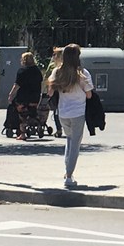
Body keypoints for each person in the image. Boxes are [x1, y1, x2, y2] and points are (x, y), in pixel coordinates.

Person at [46, 44, 93, 188]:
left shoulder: (57, 72)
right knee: (75, 145)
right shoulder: (82, 73)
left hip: (63, 113)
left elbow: (50, 92)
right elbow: (89, 94)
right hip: (78, 113)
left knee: (69, 139)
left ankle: (67, 170)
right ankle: (68, 175)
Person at [7, 52, 43, 141]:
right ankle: (36, 123)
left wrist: (11, 95)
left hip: (23, 98)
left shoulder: (22, 71)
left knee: (20, 114)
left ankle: (22, 133)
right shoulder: (37, 71)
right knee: (31, 111)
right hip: (35, 98)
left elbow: (17, 85)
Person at [46, 47, 64, 137]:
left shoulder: (56, 67)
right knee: (57, 111)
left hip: (59, 91)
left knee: (58, 111)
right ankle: (60, 128)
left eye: (55, 55)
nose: (53, 56)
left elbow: (48, 77)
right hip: (59, 91)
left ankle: (60, 128)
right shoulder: (53, 66)